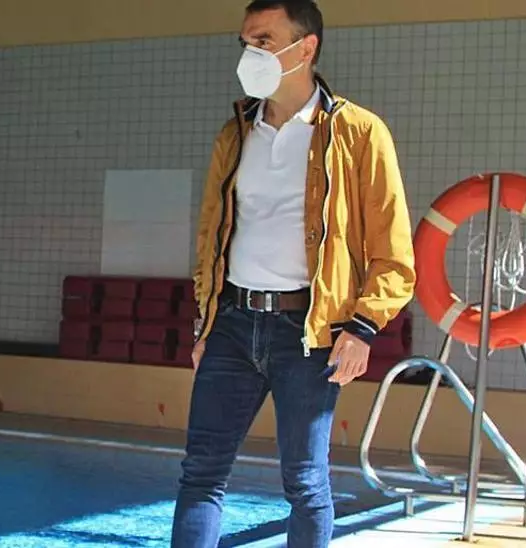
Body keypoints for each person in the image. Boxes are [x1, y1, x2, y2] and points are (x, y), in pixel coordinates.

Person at [171, 1, 415, 547]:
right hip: (232, 325)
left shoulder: (359, 133)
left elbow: (394, 252)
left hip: (308, 331)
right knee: (201, 474)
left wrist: (363, 328)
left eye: (264, 40)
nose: (250, 52)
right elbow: (210, 238)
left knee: (304, 483)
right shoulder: (235, 135)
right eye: (245, 41)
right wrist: (204, 324)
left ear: (306, 48)